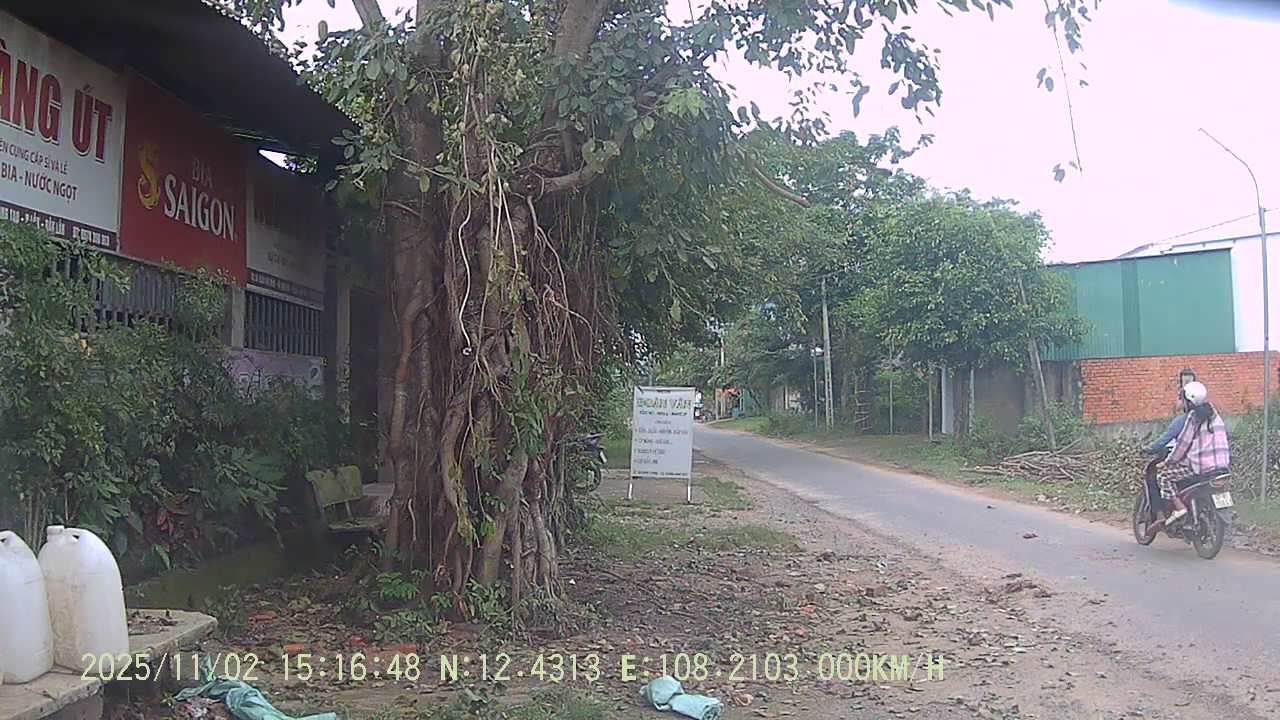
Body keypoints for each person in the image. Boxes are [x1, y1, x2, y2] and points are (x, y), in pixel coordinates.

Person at [1153, 381, 1231, 525]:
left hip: (1201, 468)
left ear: (1188, 401)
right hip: (1223, 467)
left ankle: (1180, 507)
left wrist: (1167, 462)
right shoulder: (1216, 416)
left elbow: (1182, 445)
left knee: (1163, 475)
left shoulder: (1193, 418)